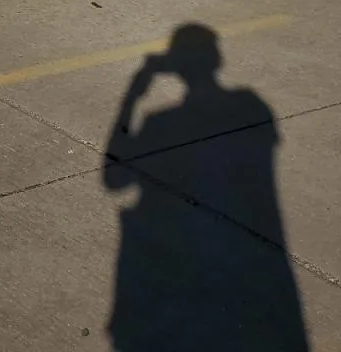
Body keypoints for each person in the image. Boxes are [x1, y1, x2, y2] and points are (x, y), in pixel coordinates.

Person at [103, 23, 309, 352]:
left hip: (177, 268)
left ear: (176, 66)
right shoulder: (253, 106)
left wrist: (133, 94)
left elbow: (114, 180)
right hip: (252, 264)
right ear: (216, 60)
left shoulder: (162, 123)